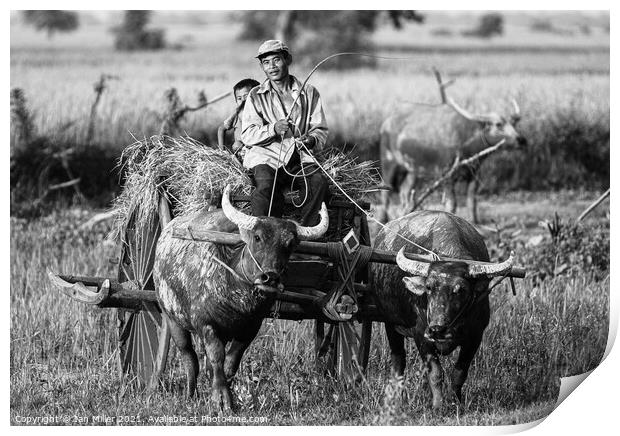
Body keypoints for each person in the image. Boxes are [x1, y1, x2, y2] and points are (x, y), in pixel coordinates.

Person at [240, 40, 329, 226]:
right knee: (265, 187)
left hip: (298, 156)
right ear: (261, 67)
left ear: (287, 60)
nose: (272, 67)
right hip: (266, 157)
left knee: (318, 182)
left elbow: (320, 128)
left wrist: (311, 140)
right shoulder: (256, 95)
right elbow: (247, 134)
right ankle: (266, 233)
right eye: (266, 63)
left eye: (276, 60)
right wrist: (273, 128)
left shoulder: (309, 92)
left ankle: (306, 232)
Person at [217, 78, 260, 159]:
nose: (243, 101)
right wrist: (221, 151)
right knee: (237, 145)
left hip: (256, 150)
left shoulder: (261, 114)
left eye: (246, 97)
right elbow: (221, 129)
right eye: (239, 98)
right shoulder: (236, 114)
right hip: (240, 151)